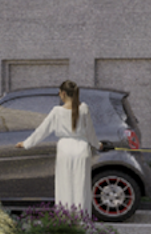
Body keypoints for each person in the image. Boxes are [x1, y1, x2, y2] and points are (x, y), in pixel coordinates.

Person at [16, 80, 95, 213]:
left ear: (63, 93)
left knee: (64, 187)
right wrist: (98, 144)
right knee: (81, 188)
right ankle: (82, 220)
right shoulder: (84, 108)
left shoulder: (57, 111)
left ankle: (65, 219)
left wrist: (26, 143)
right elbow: (91, 133)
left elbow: (42, 130)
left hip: (65, 150)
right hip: (82, 149)